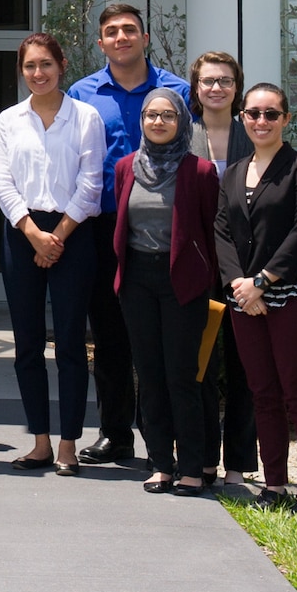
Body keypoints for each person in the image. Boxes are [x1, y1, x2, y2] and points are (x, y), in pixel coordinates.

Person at [67, 2, 191, 467]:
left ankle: (170, 436)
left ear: (144, 37)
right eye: (112, 32)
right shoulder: (82, 94)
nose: (121, 37)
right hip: (103, 228)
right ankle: (115, 432)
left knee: (166, 337)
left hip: (166, 228)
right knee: (110, 334)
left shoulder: (176, 92)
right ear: (101, 43)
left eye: (130, 30)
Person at [0, 33, 105, 476]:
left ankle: (68, 445)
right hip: (22, 233)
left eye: (46, 65)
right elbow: (2, 183)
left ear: (62, 66)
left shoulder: (85, 116)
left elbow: (91, 183)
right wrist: (32, 234)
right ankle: (38, 440)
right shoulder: (9, 120)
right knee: (27, 344)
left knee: (73, 344)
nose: (38, 74)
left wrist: (55, 236)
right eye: (30, 66)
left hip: (72, 232)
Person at [215, 82, 297, 514]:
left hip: (292, 296)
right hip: (245, 299)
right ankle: (275, 486)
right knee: (262, 392)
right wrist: (239, 286)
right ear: (242, 117)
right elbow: (221, 233)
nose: (260, 121)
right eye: (253, 113)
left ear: (285, 119)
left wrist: (261, 281)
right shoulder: (232, 171)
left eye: (270, 114)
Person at [113, 87, 221, 496]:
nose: (158, 122)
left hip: (183, 284)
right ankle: (160, 463)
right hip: (137, 281)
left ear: (181, 121)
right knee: (151, 377)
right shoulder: (126, 167)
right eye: (150, 115)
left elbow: (213, 232)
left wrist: (207, 279)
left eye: (167, 116)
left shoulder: (199, 171)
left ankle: (192, 467)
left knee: (182, 376)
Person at [186, 50, 258, 488]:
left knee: (245, 367)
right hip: (197, 267)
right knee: (201, 367)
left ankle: (238, 465)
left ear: (237, 87)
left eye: (225, 81)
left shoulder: (252, 133)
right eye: (208, 80)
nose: (216, 88)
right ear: (195, 88)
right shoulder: (181, 134)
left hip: (246, 267)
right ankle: (204, 458)